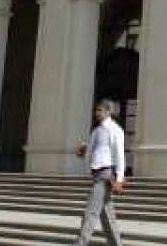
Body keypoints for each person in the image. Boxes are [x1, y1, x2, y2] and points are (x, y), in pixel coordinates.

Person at [74, 98, 126, 246]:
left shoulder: (115, 130)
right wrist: (82, 152)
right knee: (107, 216)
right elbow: (91, 152)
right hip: (96, 173)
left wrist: (120, 179)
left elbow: (119, 156)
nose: (97, 113)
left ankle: (80, 243)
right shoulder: (96, 131)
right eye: (96, 110)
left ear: (109, 111)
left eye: (100, 110)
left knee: (91, 212)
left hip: (105, 175)